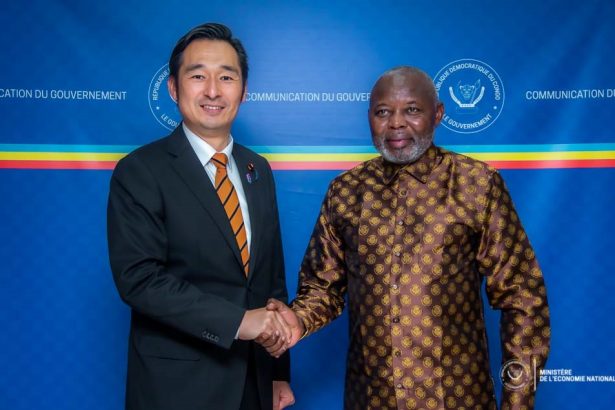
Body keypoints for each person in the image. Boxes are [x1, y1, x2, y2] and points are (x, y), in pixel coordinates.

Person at [266, 66, 550, 410]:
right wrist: (298, 319)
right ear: (369, 118)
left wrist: (518, 403)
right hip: (370, 400)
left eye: (412, 110)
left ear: (438, 114)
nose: (396, 123)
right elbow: (322, 287)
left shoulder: (477, 185)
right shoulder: (345, 191)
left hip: (459, 400)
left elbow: (523, 299)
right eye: (383, 112)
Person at [107, 23, 294, 410]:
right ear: (174, 88)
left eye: (226, 77)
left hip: (254, 382)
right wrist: (239, 322)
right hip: (177, 387)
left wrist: (278, 372)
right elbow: (139, 279)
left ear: (243, 90)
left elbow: (271, 279)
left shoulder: (257, 169)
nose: (213, 91)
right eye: (198, 76)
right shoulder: (140, 170)